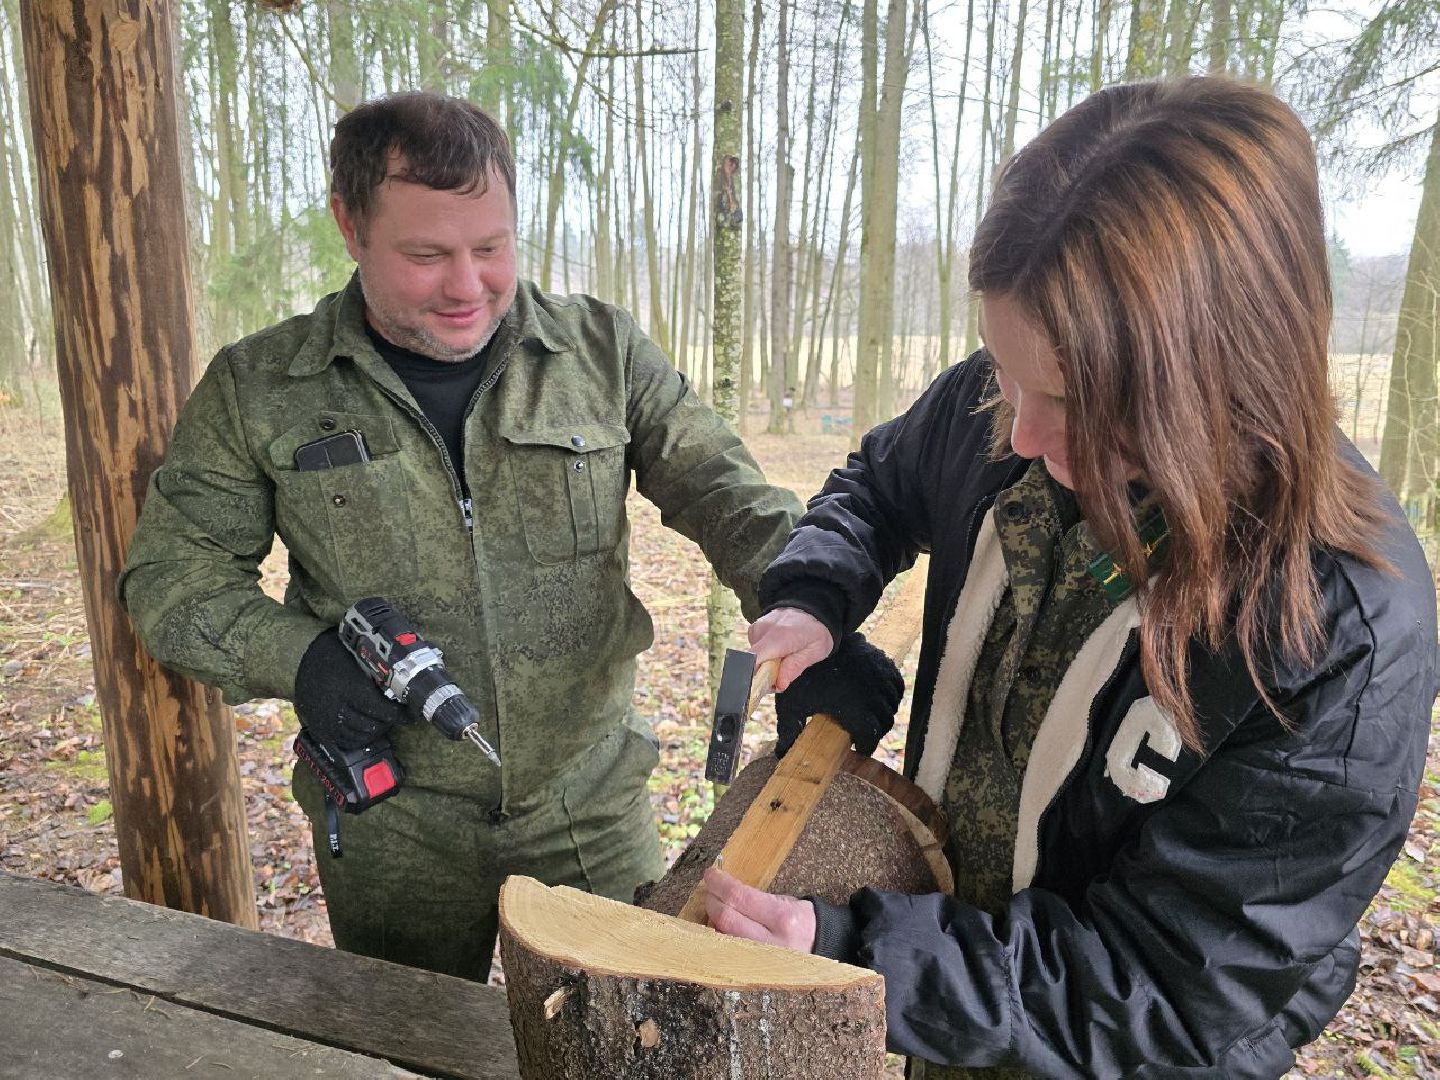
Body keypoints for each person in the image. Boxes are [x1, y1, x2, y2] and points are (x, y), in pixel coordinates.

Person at [704, 76, 1437, 1079]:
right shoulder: (1013, 398)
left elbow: (1169, 988)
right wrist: (814, 596)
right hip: (950, 1002)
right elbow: (880, 482)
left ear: (1229, 372)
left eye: (1076, 401)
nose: (1017, 431)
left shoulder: (1339, 628)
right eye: (1005, 374)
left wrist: (861, 955)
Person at [118, 92, 802, 982]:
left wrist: (807, 600)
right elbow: (172, 581)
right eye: (427, 255)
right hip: (393, 825)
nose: (468, 285)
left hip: (587, 809)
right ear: (349, 225)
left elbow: (727, 493)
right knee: (404, 1044)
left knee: (627, 1039)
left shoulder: (600, 353)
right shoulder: (262, 387)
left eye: (491, 248)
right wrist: (303, 661)